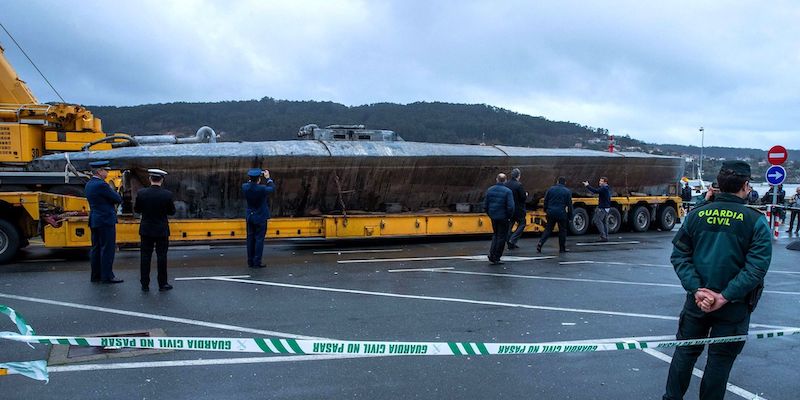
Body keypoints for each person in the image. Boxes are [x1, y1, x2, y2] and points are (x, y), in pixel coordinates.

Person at [663, 161, 771, 400]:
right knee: (720, 362)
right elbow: (756, 268)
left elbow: (680, 254)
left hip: (697, 301)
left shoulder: (697, 215)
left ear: (719, 185)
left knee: (684, 354)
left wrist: (697, 290)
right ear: (745, 185)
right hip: (734, 306)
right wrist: (724, 296)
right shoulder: (755, 220)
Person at [134, 169, 176, 292]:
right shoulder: (167, 194)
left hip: (146, 229)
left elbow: (137, 209)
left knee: (145, 257)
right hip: (161, 230)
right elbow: (171, 212)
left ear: (150, 179)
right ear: (162, 180)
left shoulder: (141, 193)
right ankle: (162, 284)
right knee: (162, 257)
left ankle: (145, 284)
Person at [84, 160, 123, 284]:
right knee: (107, 248)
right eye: (106, 170)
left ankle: (95, 275)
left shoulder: (89, 184)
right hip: (105, 219)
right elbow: (117, 198)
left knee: (96, 248)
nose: (107, 172)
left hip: (95, 219)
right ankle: (107, 276)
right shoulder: (102, 185)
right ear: (99, 171)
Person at [243, 168, 275, 268]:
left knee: (250, 239)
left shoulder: (245, 187)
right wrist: (268, 178)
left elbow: (249, 184)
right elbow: (272, 188)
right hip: (260, 216)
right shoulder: (261, 189)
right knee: (259, 240)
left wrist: (252, 181)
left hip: (250, 216)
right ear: (259, 179)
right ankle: (257, 261)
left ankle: (250, 261)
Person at [537, 177, 573, 253]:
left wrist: (546, 210)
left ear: (557, 182)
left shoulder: (550, 189)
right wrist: (570, 217)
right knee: (562, 231)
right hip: (561, 213)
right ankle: (562, 248)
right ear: (565, 183)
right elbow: (569, 205)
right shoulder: (567, 191)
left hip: (550, 212)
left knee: (548, 229)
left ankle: (540, 243)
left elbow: (546, 201)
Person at [484, 173, 514, 264]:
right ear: (505, 180)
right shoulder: (508, 191)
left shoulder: (490, 190)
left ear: (496, 179)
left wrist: (490, 214)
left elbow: (486, 205)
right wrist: (509, 216)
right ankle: (496, 256)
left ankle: (491, 254)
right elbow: (511, 206)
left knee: (495, 235)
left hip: (494, 216)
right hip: (503, 217)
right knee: (502, 237)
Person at [582, 177, 611, 242]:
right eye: (600, 181)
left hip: (602, 208)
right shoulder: (607, 188)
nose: (599, 182)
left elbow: (595, 191)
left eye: (601, 181)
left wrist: (587, 186)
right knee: (604, 222)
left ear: (605, 182)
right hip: (606, 207)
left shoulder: (604, 188)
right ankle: (606, 236)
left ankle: (603, 236)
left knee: (597, 221)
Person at [505, 168, 527, 249]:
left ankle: (508, 240)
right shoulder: (519, 185)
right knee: (522, 223)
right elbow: (523, 198)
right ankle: (512, 240)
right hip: (518, 209)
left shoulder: (506, 184)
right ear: (518, 176)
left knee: (510, 224)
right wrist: (526, 195)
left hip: (509, 208)